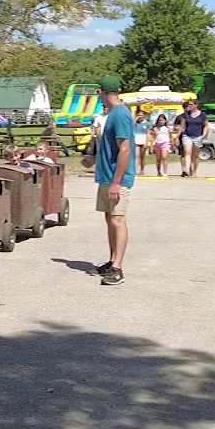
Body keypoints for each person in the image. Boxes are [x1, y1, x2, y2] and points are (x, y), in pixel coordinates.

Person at [89, 75, 134, 286]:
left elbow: (125, 149)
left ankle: (118, 267)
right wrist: (93, 159)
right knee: (109, 218)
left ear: (101, 92)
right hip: (107, 175)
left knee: (118, 220)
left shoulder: (121, 115)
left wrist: (117, 182)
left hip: (118, 178)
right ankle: (111, 260)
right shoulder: (113, 114)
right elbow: (112, 148)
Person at [175, 99, 208, 177]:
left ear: (196, 105)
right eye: (189, 105)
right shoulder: (186, 115)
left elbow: (206, 125)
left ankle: (194, 171)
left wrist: (204, 134)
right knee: (187, 153)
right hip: (187, 136)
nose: (189, 106)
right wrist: (177, 137)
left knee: (196, 155)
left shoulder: (202, 115)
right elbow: (182, 126)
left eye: (191, 104)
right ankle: (186, 169)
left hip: (198, 136)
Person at [133, 110, 150, 176]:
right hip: (136, 141)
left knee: (142, 157)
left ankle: (142, 170)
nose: (140, 117)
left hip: (143, 141)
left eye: (141, 115)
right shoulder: (134, 123)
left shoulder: (147, 124)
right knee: (136, 155)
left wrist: (147, 142)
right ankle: (135, 169)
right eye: (139, 115)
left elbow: (148, 133)